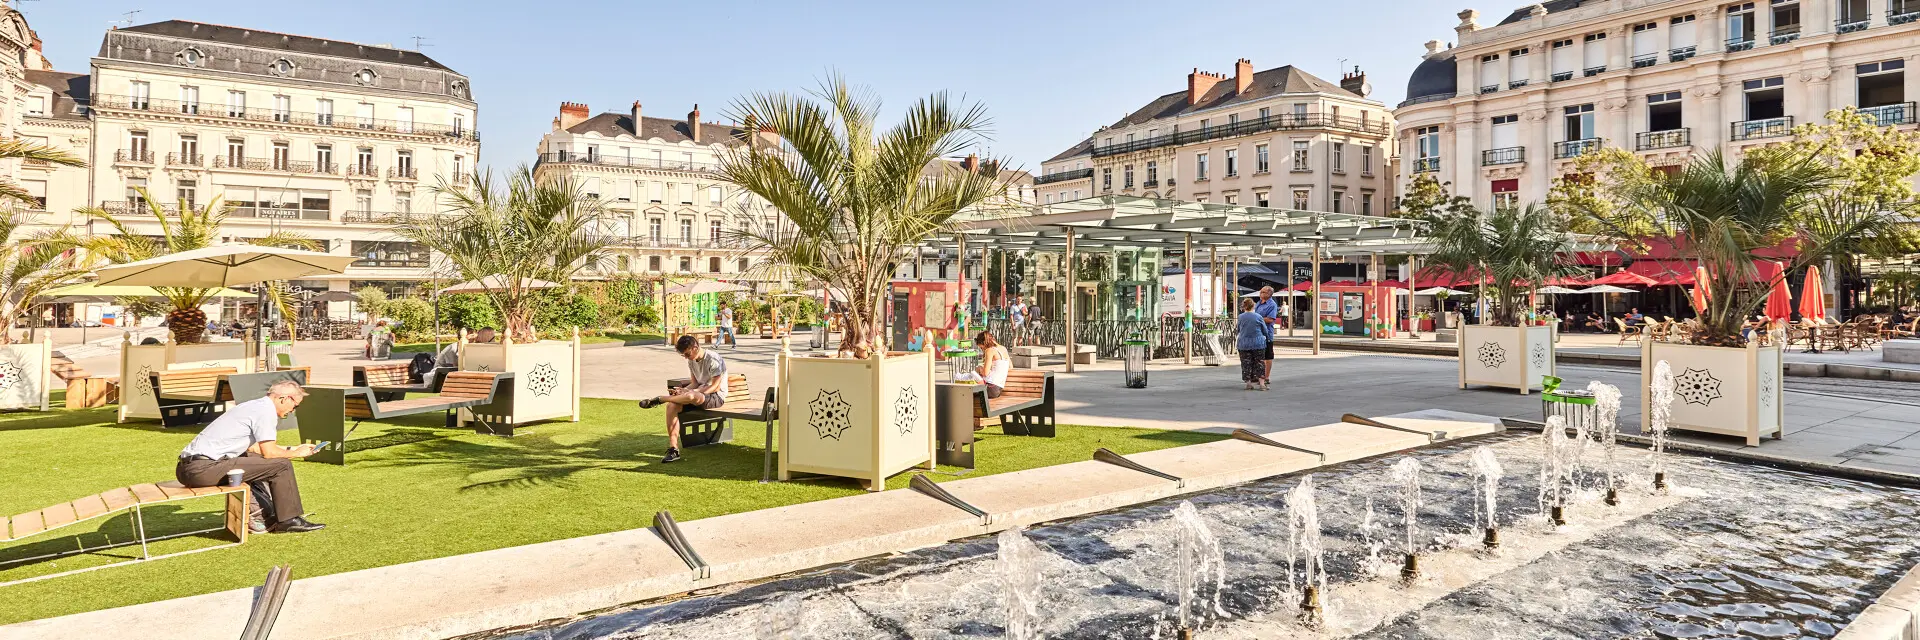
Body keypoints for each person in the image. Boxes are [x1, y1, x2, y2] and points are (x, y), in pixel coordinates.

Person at [175, 380, 325, 533]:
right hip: (201, 470)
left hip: (189, 468)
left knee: (253, 456)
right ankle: (288, 520)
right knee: (282, 465)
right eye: (296, 405)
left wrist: (295, 448)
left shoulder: (254, 406)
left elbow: (256, 448)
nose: (293, 410)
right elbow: (270, 453)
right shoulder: (265, 412)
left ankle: (263, 512)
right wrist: (297, 454)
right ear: (285, 398)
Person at [637, 335, 728, 463]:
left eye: (687, 354)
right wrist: (683, 390)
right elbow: (695, 383)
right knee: (672, 406)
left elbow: (715, 386)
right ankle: (673, 449)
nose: (686, 357)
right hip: (699, 395)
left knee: (690, 396)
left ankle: (661, 399)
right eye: (683, 355)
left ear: (695, 347)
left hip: (716, 396)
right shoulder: (692, 360)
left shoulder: (713, 359)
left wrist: (692, 392)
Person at [1236, 298, 1271, 390]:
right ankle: (1262, 384)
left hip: (1243, 343)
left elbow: (1238, 329)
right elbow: (1264, 330)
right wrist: (1266, 336)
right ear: (1253, 306)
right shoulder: (1258, 317)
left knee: (1245, 363)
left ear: (1244, 307)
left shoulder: (1240, 317)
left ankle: (1248, 383)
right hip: (1258, 343)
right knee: (1259, 363)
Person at [1253, 286, 1280, 385]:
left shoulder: (1272, 305)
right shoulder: (1259, 303)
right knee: (1258, 356)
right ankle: (1259, 375)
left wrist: (1256, 319)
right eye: (1260, 292)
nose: (1261, 294)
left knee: (1267, 356)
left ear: (1269, 294)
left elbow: (1270, 319)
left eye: (1263, 292)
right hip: (1256, 333)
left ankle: (1267, 377)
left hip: (1267, 334)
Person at [973, 330, 1011, 399]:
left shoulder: (989, 350)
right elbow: (1010, 366)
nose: (982, 350)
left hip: (991, 387)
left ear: (984, 343)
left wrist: (979, 368)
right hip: (998, 389)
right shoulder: (1003, 348)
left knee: (964, 392)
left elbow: (985, 373)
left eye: (981, 347)